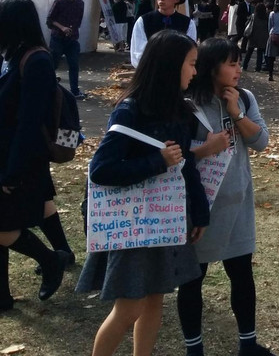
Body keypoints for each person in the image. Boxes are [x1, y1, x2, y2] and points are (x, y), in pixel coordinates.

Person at [77, 30, 209, 356]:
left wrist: (200, 212)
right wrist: (157, 161)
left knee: (154, 301)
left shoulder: (180, 112)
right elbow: (101, 169)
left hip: (165, 220)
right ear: (169, 66)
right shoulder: (129, 111)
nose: (195, 72)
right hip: (132, 225)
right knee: (128, 309)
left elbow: (185, 162)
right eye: (191, 64)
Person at [178, 37, 274, 356]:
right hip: (200, 206)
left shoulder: (243, 98)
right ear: (211, 67)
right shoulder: (188, 103)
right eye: (231, 64)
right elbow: (173, 155)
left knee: (242, 273)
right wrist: (206, 149)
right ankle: (194, 349)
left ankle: (248, 344)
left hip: (238, 201)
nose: (238, 69)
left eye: (239, 62)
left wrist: (237, 113)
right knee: (193, 278)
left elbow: (261, 142)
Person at [0, 0, 68, 311]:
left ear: (11, 22)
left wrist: (14, 172)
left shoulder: (36, 60)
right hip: (0, 156)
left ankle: (51, 260)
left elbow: (28, 122)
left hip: (19, 160)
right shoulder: (6, 56)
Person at [131, 0, 197, 68]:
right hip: (150, 70)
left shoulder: (187, 23)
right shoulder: (144, 20)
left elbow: (189, 49)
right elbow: (139, 50)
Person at [46, 0, 86, 99]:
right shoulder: (59, 2)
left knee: (74, 65)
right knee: (54, 63)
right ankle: (49, 86)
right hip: (57, 38)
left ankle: (75, 90)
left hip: (72, 39)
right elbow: (50, 19)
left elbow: (78, 20)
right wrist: (62, 28)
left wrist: (72, 30)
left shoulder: (80, 4)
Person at [242, 0, 269, 73]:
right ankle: (258, 68)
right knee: (260, 53)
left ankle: (244, 66)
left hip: (253, 35)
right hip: (263, 36)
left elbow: (247, 24)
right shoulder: (266, 17)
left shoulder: (254, 16)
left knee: (249, 52)